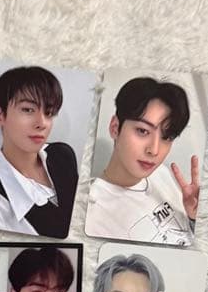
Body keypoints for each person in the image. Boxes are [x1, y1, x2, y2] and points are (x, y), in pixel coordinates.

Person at [0, 65, 78, 237]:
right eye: (28, 110)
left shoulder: (62, 155)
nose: (42, 123)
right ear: (0, 115)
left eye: (48, 112)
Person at [85, 76, 199, 245]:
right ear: (115, 128)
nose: (154, 150)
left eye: (167, 137)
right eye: (143, 131)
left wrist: (194, 217)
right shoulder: (93, 211)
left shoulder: (161, 173)